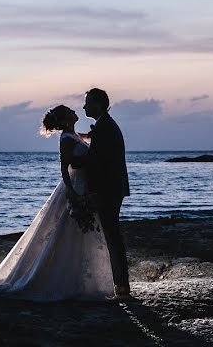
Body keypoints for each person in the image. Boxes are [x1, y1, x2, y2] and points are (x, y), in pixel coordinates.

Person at [0, 105, 114, 301]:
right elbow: (64, 168)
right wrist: (72, 192)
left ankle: (79, 279)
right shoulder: (66, 139)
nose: (74, 111)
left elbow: (93, 142)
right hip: (75, 186)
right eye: (69, 111)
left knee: (78, 233)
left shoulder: (75, 134)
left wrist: (96, 135)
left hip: (84, 185)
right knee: (68, 231)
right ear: (65, 119)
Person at [82, 87, 131, 297]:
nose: (84, 106)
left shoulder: (105, 127)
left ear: (99, 104)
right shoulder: (104, 125)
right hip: (112, 188)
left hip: (108, 190)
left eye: (88, 102)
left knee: (112, 235)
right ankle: (118, 282)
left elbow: (97, 162)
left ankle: (121, 284)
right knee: (111, 234)